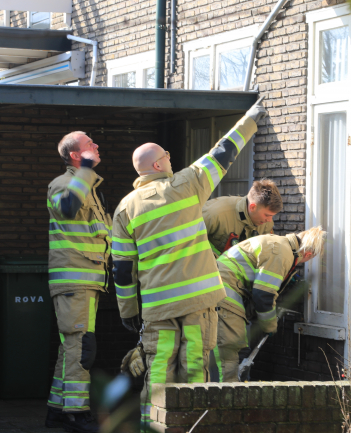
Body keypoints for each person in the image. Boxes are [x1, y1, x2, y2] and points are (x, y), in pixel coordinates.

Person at [110, 100, 267, 431]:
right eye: (166, 154)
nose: (171, 157)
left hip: (158, 308)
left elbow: (122, 269)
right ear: (157, 164)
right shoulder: (187, 184)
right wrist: (251, 119)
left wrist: (128, 311)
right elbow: (223, 153)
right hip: (198, 303)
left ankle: (153, 427)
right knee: (194, 368)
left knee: (158, 371)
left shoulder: (125, 209)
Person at [45, 131, 110, 433]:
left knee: (71, 347)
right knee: (81, 347)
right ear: (75, 156)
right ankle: (76, 414)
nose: (96, 145)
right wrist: (86, 169)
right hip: (75, 281)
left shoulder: (90, 188)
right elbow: (68, 208)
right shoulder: (63, 183)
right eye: (89, 144)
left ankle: (57, 411)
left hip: (87, 282)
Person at [210, 226, 326, 382]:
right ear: (308, 254)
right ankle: (226, 393)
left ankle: (235, 390)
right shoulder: (282, 253)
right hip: (224, 289)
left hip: (222, 284)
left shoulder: (280, 245)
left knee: (238, 348)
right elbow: (263, 295)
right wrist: (269, 325)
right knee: (231, 349)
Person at [203, 179, 283, 256]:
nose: (269, 220)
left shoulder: (266, 224)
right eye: (267, 215)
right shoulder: (213, 214)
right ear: (252, 207)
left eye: (272, 216)